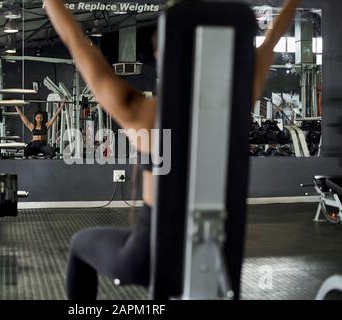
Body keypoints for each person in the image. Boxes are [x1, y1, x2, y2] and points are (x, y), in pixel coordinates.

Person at [43, 0, 301, 299]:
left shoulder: (141, 113)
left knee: (79, 244)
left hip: (149, 260)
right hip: (220, 260)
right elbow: (273, 38)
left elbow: (75, 41)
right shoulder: (239, 103)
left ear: (161, 54)